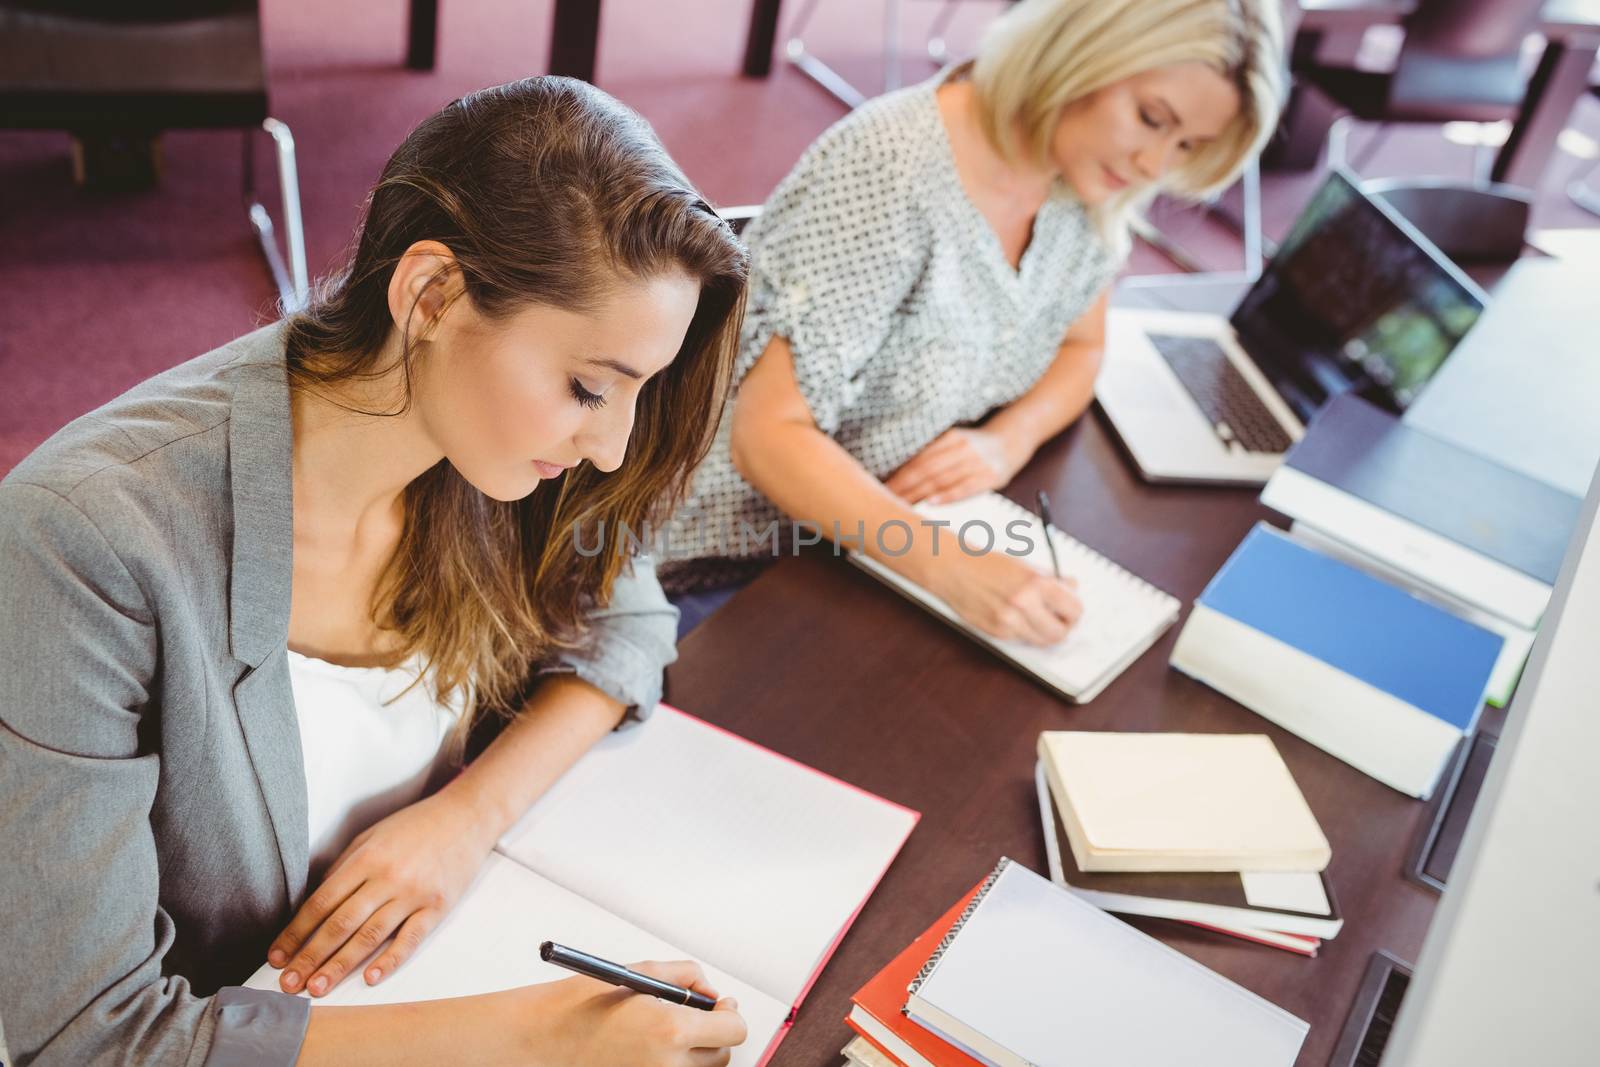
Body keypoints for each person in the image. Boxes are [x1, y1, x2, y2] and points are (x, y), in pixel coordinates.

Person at [0, 77, 750, 1066]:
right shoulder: (87, 541)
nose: (612, 446)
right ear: (429, 293)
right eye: (586, 387)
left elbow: (631, 620)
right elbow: (90, 1039)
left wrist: (466, 815)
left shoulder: (497, 449)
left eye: (635, 394)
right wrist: (536, 1041)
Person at [659, 0, 1283, 642]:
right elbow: (767, 437)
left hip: (859, 544)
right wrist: (955, 569)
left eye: (1187, 146)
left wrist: (1008, 440)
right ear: (1082, 50)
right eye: (1153, 120)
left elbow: (1082, 345)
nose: (1157, 165)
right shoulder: (892, 164)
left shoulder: (1085, 182)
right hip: (716, 560)